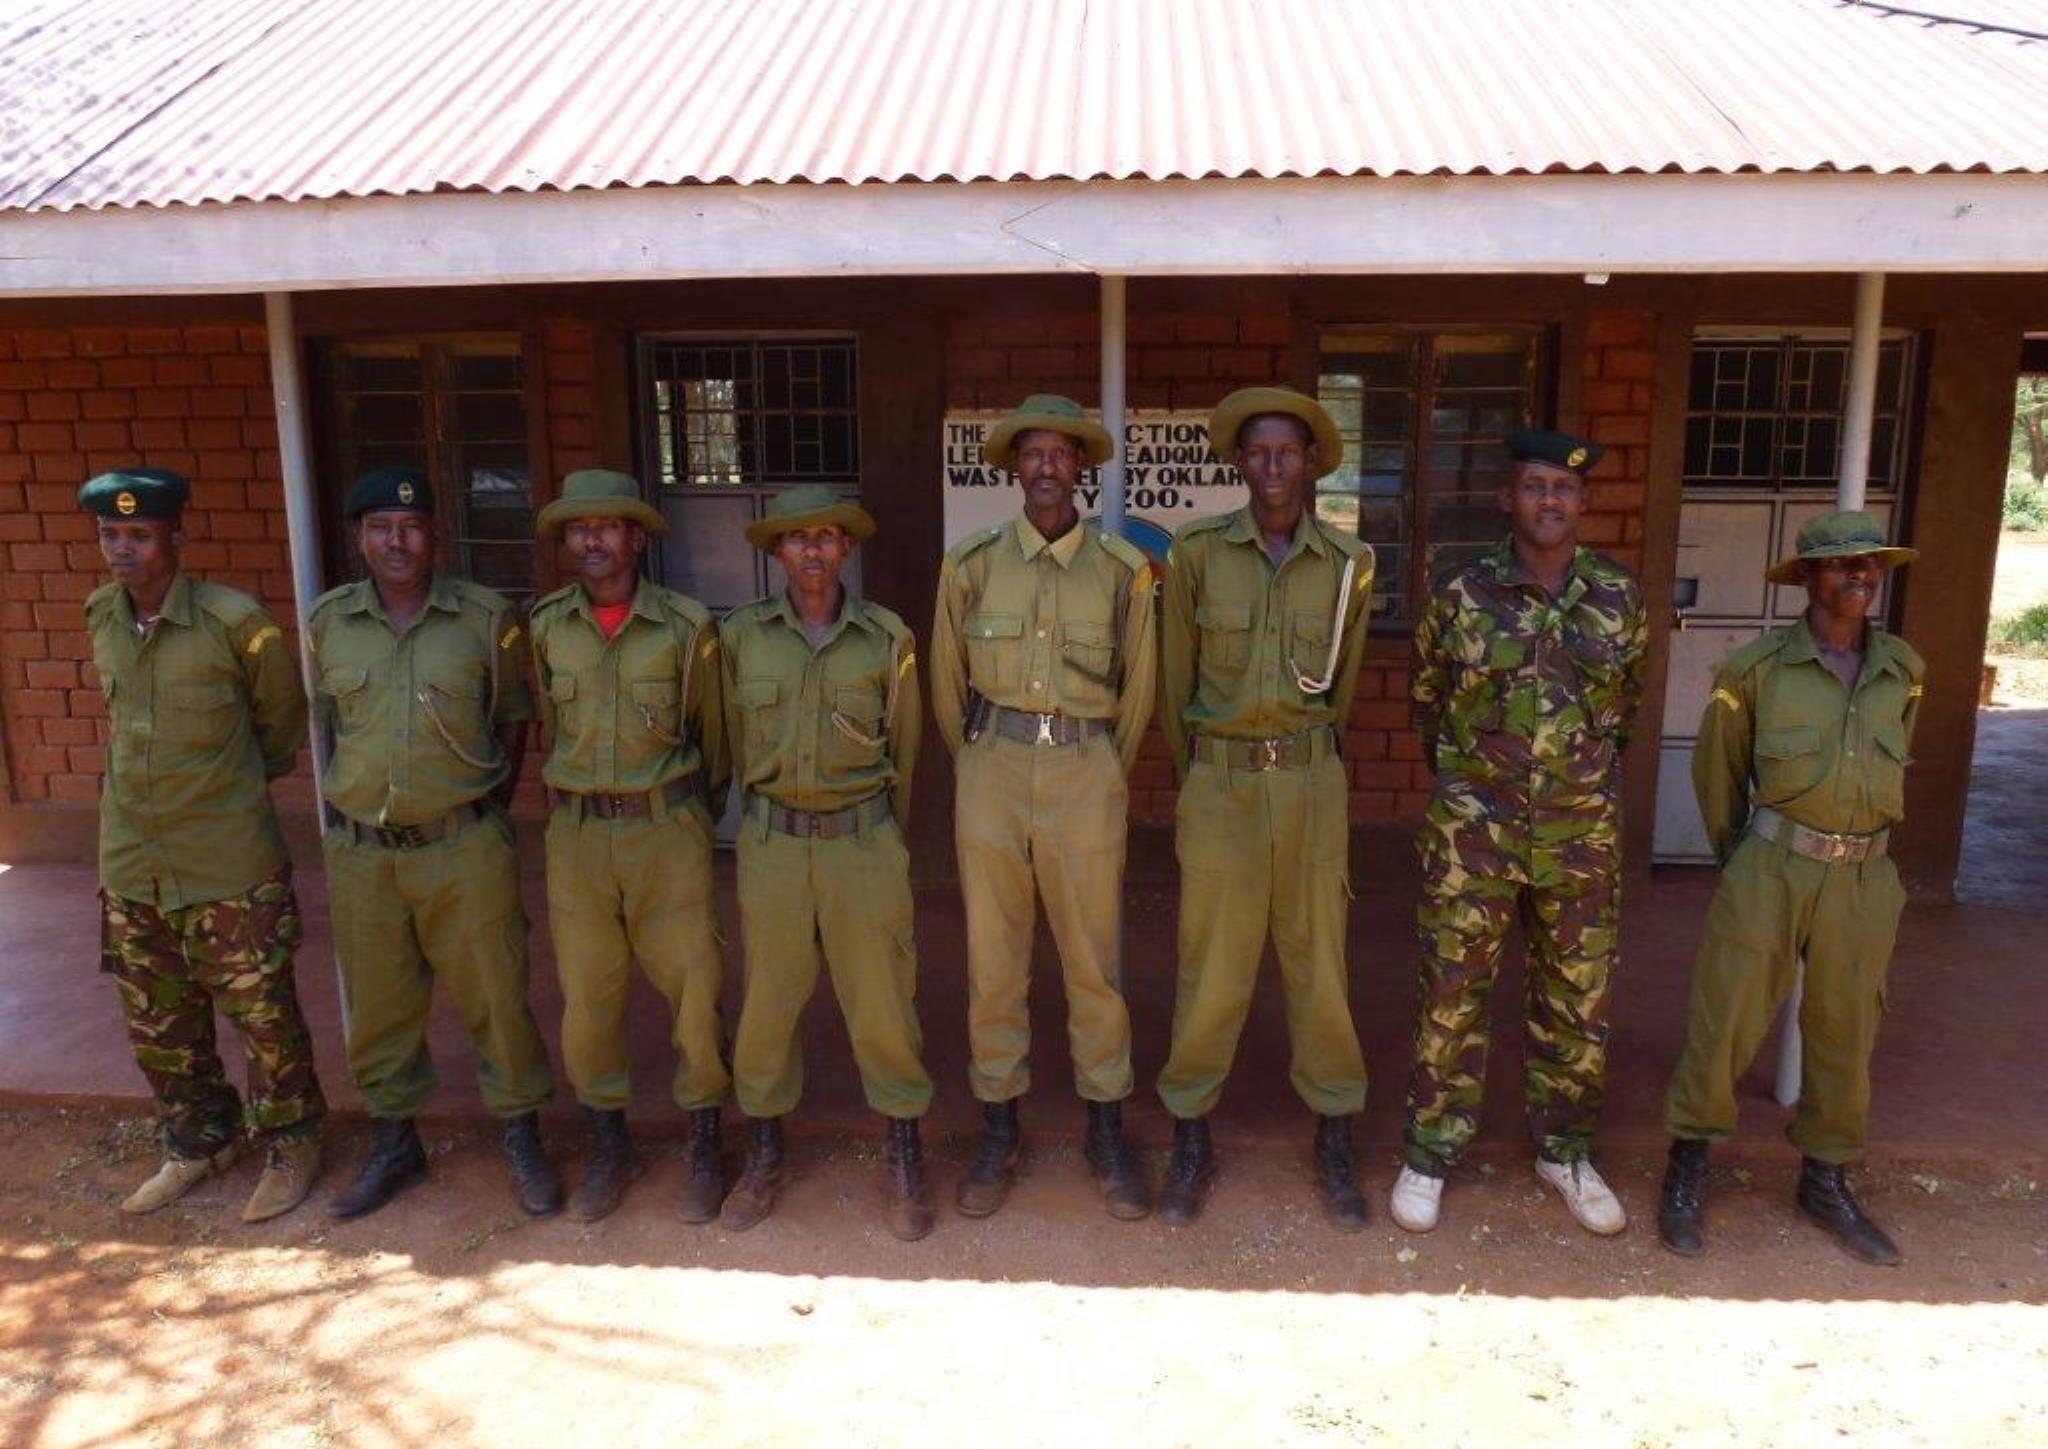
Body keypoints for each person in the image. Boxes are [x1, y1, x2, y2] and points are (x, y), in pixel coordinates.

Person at [1391, 427, 1648, 1237]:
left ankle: (1564, 1150)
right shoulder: (1462, 593)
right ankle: (1430, 1153)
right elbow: (1428, 702)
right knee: (1450, 997)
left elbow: (1625, 713)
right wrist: (1478, 787)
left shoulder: (1618, 596)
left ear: (1582, 502)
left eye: (1564, 489)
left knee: (1576, 1002)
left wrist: (1574, 789)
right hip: (1476, 837)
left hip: (1579, 838)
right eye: (1534, 485)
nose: (1549, 500)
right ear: (1508, 497)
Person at [1658, 510, 1922, 1266]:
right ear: (1807, 577)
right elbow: (1718, 774)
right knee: (1728, 1018)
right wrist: (1745, 862)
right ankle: (1689, 1165)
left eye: (1870, 563)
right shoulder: (1755, 668)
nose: (1859, 577)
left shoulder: (1904, 669)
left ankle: (1826, 1175)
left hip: (1864, 876)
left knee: (1848, 1029)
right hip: (1772, 865)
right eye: (1841, 565)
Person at [312, 466, 560, 1222]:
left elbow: (514, 716)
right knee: (380, 1006)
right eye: (382, 526)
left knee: (496, 995)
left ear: (435, 537)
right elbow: (325, 723)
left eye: (412, 526)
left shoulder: (486, 618)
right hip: (363, 853)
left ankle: (521, 1135)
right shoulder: (328, 621)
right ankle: (395, 1141)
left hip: (463, 845)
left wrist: (485, 803)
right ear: (360, 537)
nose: (398, 539)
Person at [79, 467, 327, 1223]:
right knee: (159, 1018)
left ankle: (292, 1143)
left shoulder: (235, 624)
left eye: (140, 534)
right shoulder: (101, 615)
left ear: (175, 538)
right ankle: (198, 1138)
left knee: (263, 1018)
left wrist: (222, 789)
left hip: (228, 864)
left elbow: (280, 727)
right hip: (131, 860)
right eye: (111, 535)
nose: (123, 550)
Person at [931, 394, 1157, 1221]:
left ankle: (1105, 1130)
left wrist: (1096, 764)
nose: (1048, 467)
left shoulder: (1123, 571)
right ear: (1014, 468)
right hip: (991, 766)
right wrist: (985, 760)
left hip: (1084, 770)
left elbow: (1138, 698)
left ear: (1082, 468)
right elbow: (946, 688)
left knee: (1094, 965)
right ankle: (999, 1130)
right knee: (994, 962)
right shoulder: (972, 564)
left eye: (1063, 454)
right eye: (1034, 454)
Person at [1154, 386, 1376, 1229]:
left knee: (1319, 959)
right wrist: (1208, 773)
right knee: (1210, 961)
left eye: (1290, 452)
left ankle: (1334, 1129)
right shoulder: (1198, 554)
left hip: (1311, 782)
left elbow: (1344, 689)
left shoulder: (1350, 564)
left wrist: (1305, 761)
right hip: (1221, 783)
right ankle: (1191, 1132)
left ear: (1315, 462)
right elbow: (1177, 683)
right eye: (1259, 452)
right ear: (1240, 463)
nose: (1275, 466)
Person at [717, 485, 937, 1241]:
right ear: (777, 552)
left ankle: (904, 1148)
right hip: (775, 845)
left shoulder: (886, 638)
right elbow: (733, 744)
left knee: (883, 1000)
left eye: (827, 537)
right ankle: (765, 1151)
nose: (812, 550)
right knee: (769, 1003)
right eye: (796, 538)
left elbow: (904, 757)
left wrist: (875, 837)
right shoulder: (743, 638)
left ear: (847, 548)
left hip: (861, 844)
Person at [529, 468, 731, 1223]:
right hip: (579, 834)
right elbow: (550, 722)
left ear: (636, 538)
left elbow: (714, 738)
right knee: (588, 996)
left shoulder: (685, 626)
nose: (592, 539)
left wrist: (683, 813)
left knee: (694, 988)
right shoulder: (547, 627)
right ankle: (608, 1140)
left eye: (608, 526)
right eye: (579, 528)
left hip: (665, 827)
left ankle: (705, 1137)